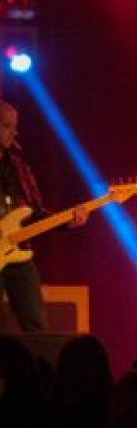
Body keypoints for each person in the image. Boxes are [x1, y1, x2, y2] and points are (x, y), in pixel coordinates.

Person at [0, 99, 87, 332]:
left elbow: (34, 212)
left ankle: (40, 368)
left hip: (18, 253)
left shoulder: (19, 167)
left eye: (14, 126)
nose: (14, 132)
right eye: (7, 126)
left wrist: (67, 221)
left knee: (37, 325)